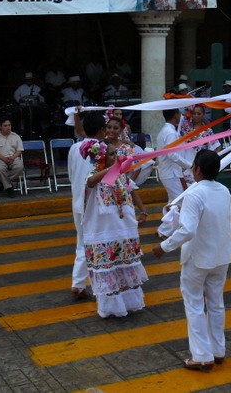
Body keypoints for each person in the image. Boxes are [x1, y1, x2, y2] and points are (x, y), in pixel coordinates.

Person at [153, 151, 231, 372]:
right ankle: (218, 351)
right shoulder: (224, 191)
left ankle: (202, 355)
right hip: (221, 255)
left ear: (196, 169)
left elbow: (188, 230)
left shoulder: (194, 194)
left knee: (195, 304)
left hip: (198, 257)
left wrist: (164, 246)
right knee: (216, 303)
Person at [81, 140, 149, 318]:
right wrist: (114, 168)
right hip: (104, 231)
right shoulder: (95, 174)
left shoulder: (121, 175)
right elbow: (90, 181)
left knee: (124, 266)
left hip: (123, 229)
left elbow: (132, 191)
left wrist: (142, 210)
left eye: (116, 154)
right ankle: (111, 307)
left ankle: (129, 303)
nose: (116, 157)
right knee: (108, 268)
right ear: (102, 157)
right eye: (111, 154)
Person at [67, 112, 106, 300]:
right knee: (97, 243)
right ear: (101, 130)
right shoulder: (102, 148)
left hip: (77, 201)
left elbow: (71, 173)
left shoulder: (74, 148)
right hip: (94, 203)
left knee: (82, 242)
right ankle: (96, 283)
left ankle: (78, 283)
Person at [157, 109, 194, 237]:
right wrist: (190, 165)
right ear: (175, 115)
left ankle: (169, 229)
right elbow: (172, 154)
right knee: (179, 201)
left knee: (174, 200)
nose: (181, 116)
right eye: (179, 114)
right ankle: (165, 230)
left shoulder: (166, 131)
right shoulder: (170, 132)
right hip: (170, 172)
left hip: (170, 172)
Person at [0, 117, 24, 197]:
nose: (8, 127)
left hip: (13, 158)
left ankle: (3, 183)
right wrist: (3, 158)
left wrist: (12, 157)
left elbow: (19, 150)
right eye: (5, 125)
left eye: (9, 125)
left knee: (20, 167)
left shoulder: (16, 136)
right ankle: (9, 188)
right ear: (0, 127)